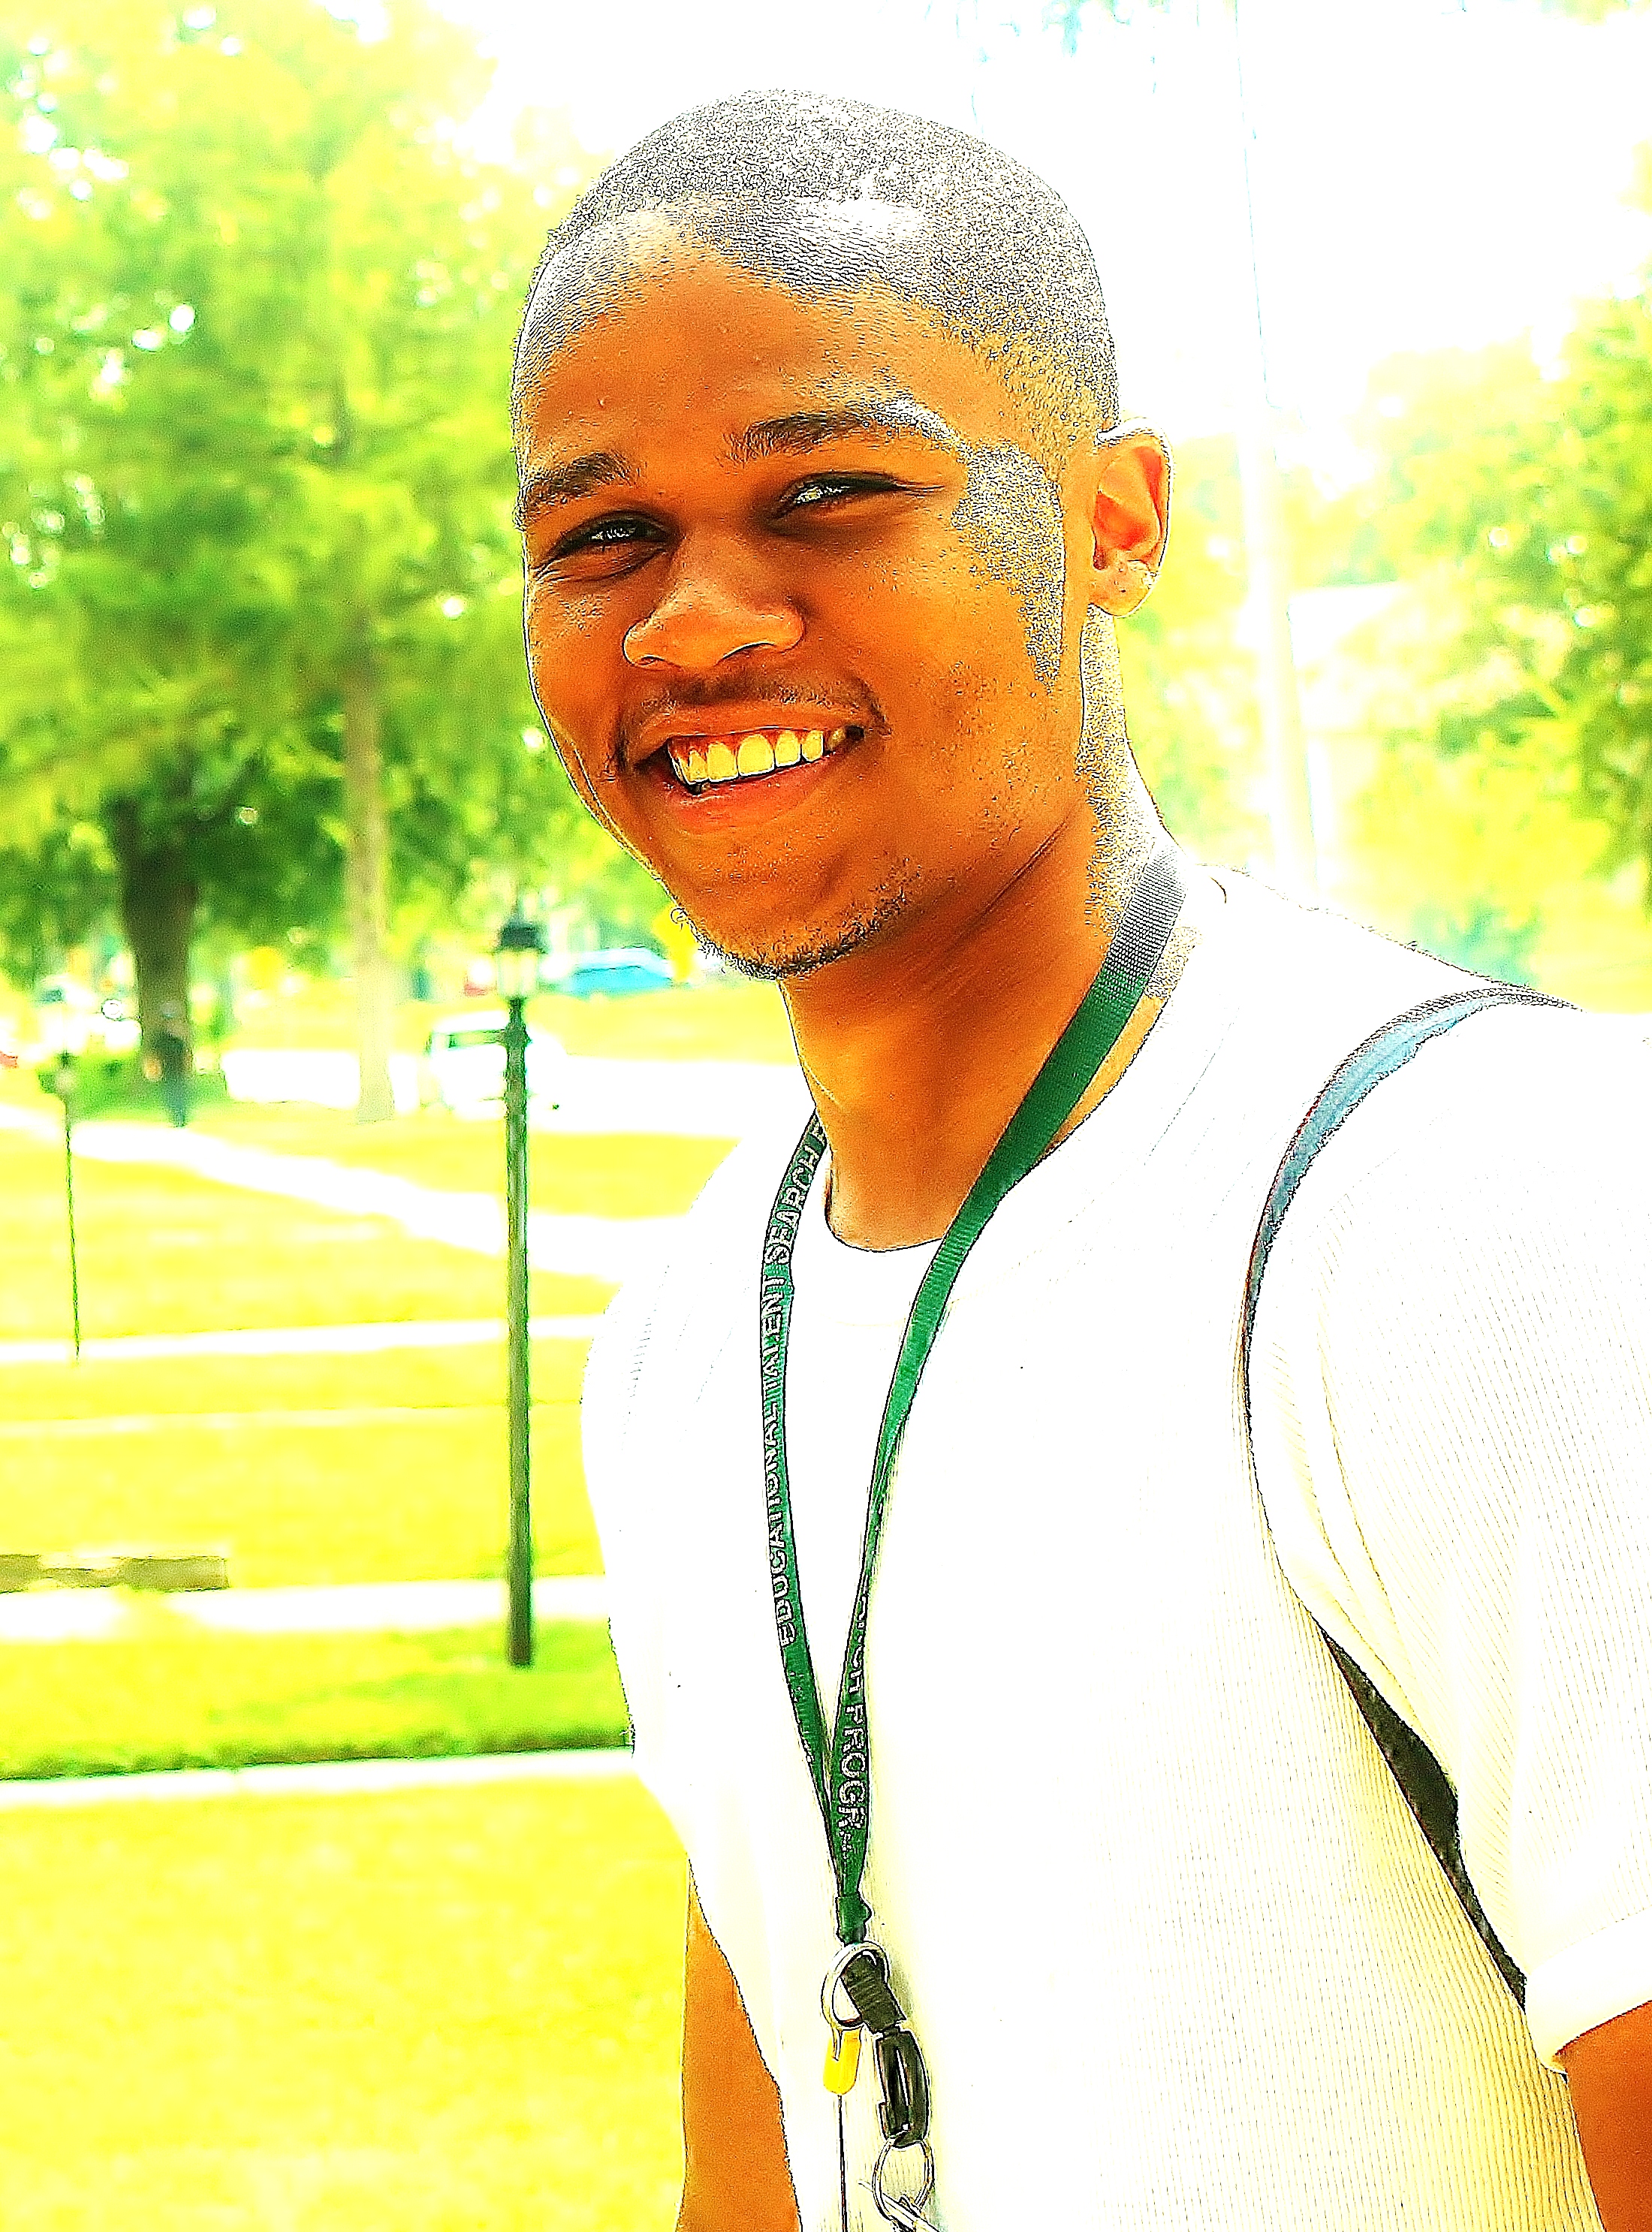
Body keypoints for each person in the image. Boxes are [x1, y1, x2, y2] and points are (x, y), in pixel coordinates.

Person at [511, 91, 1652, 2232]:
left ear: (1117, 522)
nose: (693, 622)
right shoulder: (687, 1334)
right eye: (602, 538)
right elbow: (763, 2113)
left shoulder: (1474, 1203)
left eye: (830, 493)